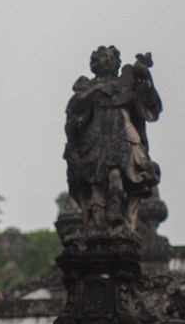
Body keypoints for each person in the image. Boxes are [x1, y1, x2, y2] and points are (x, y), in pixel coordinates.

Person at [63, 45, 161, 234]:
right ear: (95, 63)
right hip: (95, 140)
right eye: (103, 57)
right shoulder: (87, 86)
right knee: (96, 182)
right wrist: (96, 90)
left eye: (111, 57)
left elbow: (149, 106)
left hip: (122, 136)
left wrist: (145, 76)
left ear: (117, 62)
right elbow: (74, 112)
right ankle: (97, 219)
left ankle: (116, 213)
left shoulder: (126, 84)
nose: (107, 60)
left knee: (117, 175)